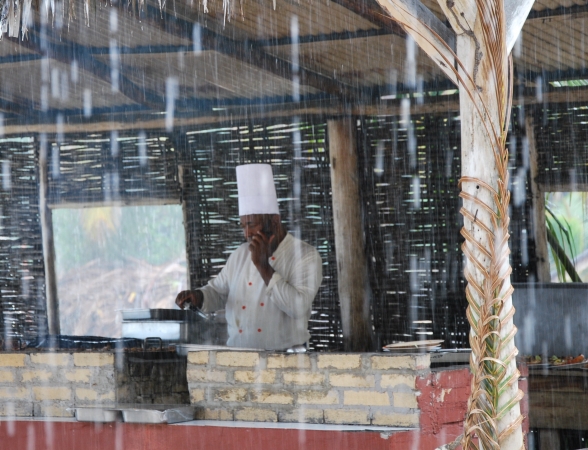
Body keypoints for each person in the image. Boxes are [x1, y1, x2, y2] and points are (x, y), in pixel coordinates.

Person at [175, 164, 323, 350]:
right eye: (243, 226)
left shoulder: (306, 256)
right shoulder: (240, 255)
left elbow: (297, 307)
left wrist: (264, 267)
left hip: (287, 363)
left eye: (252, 225)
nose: (246, 233)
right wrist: (199, 296)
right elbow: (218, 292)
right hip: (240, 359)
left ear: (275, 222)